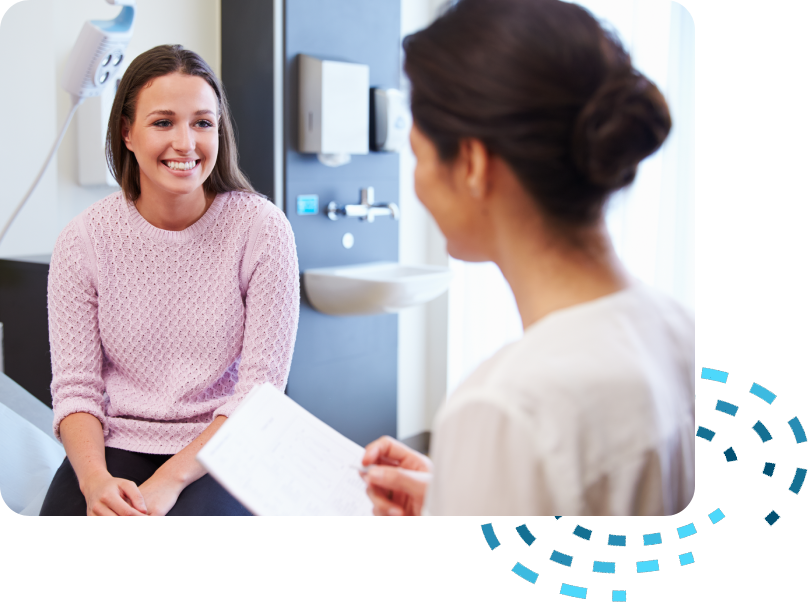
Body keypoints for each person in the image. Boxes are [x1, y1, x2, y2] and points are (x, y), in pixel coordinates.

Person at [359, 0, 694, 516]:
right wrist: (457, 495)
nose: (417, 182)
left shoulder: (506, 407)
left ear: (471, 163)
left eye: (418, 155)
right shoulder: (671, 325)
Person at [39, 45, 300, 516]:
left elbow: (260, 393)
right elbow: (76, 388)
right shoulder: (83, 241)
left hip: (223, 443)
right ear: (128, 132)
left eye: (202, 122)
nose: (186, 143)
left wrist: (169, 480)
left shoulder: (262, 229)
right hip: (116, 442)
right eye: (163, 122)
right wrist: (95, 480)